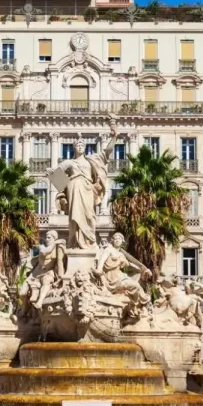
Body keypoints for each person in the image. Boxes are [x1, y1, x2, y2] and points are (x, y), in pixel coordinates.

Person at [49, 121, 117, 249]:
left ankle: (89, 241)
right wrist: (53, 176)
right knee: (75, 215)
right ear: (73, 147)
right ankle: (75, 242)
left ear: (85, 148)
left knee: (90, 216)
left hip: (88, 189)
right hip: (74, 188)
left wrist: (114, 137)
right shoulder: (69, 162)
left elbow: (107, 152)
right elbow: (55, 174)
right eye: (77, 145)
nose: (80, 146)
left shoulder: (91, 160)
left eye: (82, 145)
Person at [93, 231, 150, 308]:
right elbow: (102, 260)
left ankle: (137, 306)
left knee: (137, 286)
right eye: (115, 239)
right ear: (112, 240)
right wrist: (99, 269)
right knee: (135, 285)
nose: (117, 240)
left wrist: (143, 269)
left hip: (119, 276)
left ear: (122, 241)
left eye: (119, 239)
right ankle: (139, 304)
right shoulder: (109, 249)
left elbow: (130, 265)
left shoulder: (121, 254)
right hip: (111, 277)